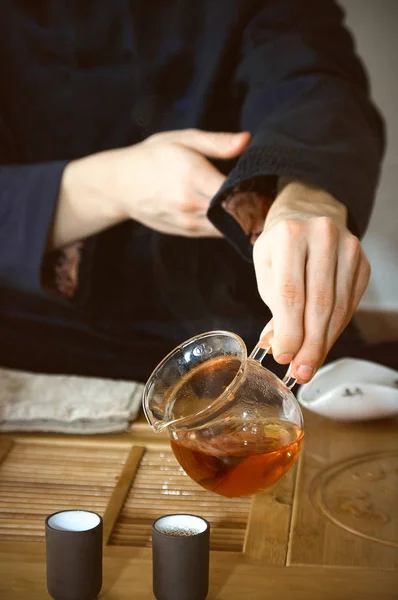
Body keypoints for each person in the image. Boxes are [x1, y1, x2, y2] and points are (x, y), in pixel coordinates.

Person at [0, 0, 384, 385]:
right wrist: (110, 185)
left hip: (252, 325)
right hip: (36, 347)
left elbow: (316, 81)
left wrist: (306, 196)